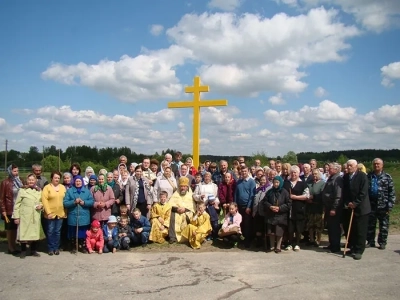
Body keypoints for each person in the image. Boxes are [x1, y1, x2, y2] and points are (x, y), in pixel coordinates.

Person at [342, 159, 371, 260]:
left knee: (360, 230)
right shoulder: (346, 177)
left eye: (351, 166)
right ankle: (353, 247)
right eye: (348, 166)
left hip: (361, 208)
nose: (349, 167)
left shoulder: (362, 176)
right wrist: (348, 202)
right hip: (350, 207)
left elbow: (363, 192)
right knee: (352, 230)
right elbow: (345, 192)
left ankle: (359, 250)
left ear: (356, 166)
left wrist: (355, 203)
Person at [366, 158, 396, 250]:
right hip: (371, 204)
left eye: (378, 164)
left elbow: (392, 192)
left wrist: (390, 205)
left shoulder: (387, 177)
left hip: (383, 204)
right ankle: (370, 241)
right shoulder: (369, 176)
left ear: (382, 165)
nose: (376, 165)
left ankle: (382, 242)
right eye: (374, 164)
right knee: (370, 224)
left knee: (383, 225)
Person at [12, 174, 42, 259]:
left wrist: (41, 206)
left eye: (33, 180)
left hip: (35, 214)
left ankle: (33, 250)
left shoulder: (39, 191)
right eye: (29, 180)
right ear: (27, 180)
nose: (31, 181)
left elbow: (41, 201)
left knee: (34, 232)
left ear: (36, 181)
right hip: (25, 215)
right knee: (24, 233)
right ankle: (23, 251)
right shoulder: (22, 190)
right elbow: (17, 204)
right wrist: (16, 217)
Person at [63, 175, 94, 254]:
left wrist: (84, 202)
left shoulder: (87, 191)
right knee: (73, 233)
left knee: (83, 232)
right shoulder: (69, 191)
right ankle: (73, 247)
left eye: (79, 181)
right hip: (73, 215)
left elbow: (91, 202)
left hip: (84, 216)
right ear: (74, 182)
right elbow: (65, 203)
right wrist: (74, 202)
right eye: (76, 181)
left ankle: (82, 246)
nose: (78, 183)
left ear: (82, 182)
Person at [283, 165, 309, 252]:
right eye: (292, 172)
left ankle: (297, 244)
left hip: (299, 208)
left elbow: (306, 196)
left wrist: (295, 197)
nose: (293, 174)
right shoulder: (286, 183)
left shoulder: (303, 183)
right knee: (290, 228)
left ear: (298, 173)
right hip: (289, 209)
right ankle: (290, 243)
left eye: (295, 172)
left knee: (298, 227)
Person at [42, 171, 67, 255]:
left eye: (58, 178)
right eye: (55, 177)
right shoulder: (47, 188)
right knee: (50, 231)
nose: (57, 179)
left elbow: (65, 200)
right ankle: (50, 248)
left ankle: (56, 248)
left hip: (60, 213)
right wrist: (48, 212)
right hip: (50, 214)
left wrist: (65, 212)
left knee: (57, 231)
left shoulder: (63, 187)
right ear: (51, 178)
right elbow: (44, 200)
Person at [0, 164, 23, 255]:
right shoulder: (5, 182)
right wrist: (3, 210)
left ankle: (15, 245)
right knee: (10, 229)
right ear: (10, 171)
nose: (16, 173)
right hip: (9, 209)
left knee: (16, 228)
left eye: (17, 171)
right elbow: (1, 198)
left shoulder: (20, 181)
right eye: (14, 171)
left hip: (19, 208)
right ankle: (10, 247)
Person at [264, 176, 291, 253]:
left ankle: (278, 247)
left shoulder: (285, 192)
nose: (276, 184)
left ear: (280, 183)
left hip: (281, 215)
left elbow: (288, 204)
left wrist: (280, 208)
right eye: (274, 182)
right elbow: (265, 202)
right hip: (271, 214)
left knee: (279, 231)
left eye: (277, 182)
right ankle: (272, 246)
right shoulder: (269, 192)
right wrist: (270, 206)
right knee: (271, 231)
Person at [322, 163, 343, 253]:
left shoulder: (338, 179)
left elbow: (338, 195)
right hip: (328, 206)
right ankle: (331, 244)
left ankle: (335, 247)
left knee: (334, 228)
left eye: (330, 168)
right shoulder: (331, 177)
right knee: (330, 227)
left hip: (333, 208)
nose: (328, 170)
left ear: (336, 169)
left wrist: (334, 208)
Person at [168, 177, 196, 244]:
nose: (183, 188)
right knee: (172, 216)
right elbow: (170, 204)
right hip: (176, 211)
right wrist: (176, 209)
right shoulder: (176, 194)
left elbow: (192, 206)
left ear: (187, 187)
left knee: (187, 217)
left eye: (184, 186)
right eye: (181, 186)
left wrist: (185, 209)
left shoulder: (190, 194)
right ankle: (173, 237)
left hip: (187, 212)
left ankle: (187, 236)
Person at [234, 166, 256, 248]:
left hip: (247, 206)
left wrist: (249, 207)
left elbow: (252, 195)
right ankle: (242, 239)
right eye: (242, 171)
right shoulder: (238, 182)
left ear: (248, 171)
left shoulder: (251, 182)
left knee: (247, 224)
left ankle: (248, 240)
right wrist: (235, 205)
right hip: (239, 206)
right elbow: (236, 194)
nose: (244, 173)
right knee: (241, 223)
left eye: (245, 171)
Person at [306, 169, 325, 247]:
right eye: (313, 174)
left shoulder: (322, 183)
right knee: (310, 224)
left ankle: (318, 240)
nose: (314, 175)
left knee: (318, 225)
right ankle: (311, 239)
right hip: (310, 206)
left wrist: (313, 197)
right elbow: (306, 192)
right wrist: (308, 199)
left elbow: (322, 194)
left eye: (316, 174)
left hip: (318, 207)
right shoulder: (309, 183)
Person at [253, 175, 271, 247]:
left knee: (266, 229)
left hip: (265, 212)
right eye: (261, 180)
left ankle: (267, 243)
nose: (262, 181)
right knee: (258, 228)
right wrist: (254, 212)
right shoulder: (258, 189)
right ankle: (259, 242)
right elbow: (255, 201)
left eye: (264, 180)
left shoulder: (269, 189)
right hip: (257, 212)